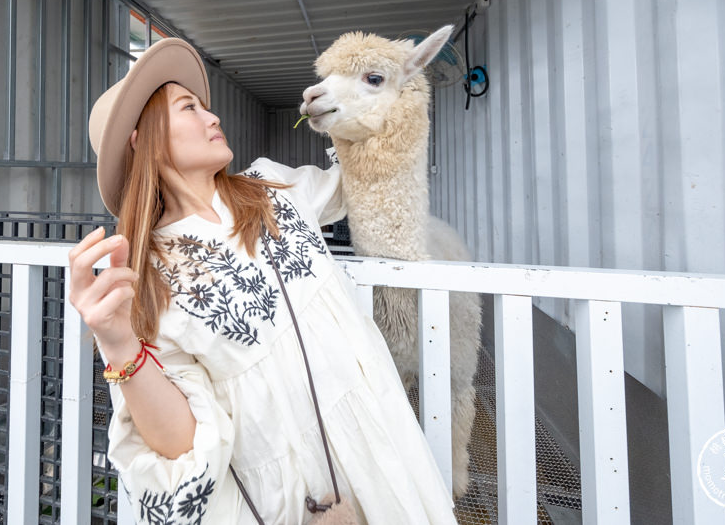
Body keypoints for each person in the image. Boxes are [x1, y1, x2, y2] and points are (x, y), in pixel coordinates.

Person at [67, 38, 455, 524]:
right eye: (190, 108)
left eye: (206, 108)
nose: (213, 118)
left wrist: (391, 97)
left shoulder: (273, 186)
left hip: (378, 444)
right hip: (281, 496)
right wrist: (119, 342)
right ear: (141, 138)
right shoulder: (151, 275)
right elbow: (182, 442)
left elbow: (372, 177)